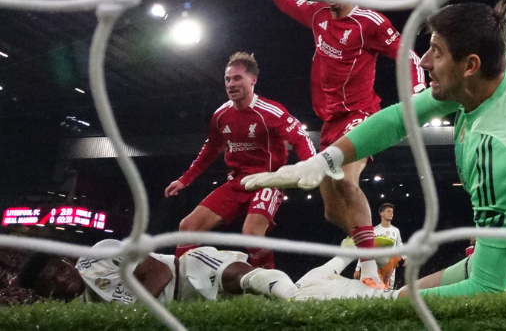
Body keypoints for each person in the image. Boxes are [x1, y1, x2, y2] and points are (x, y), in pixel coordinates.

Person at [243, 0, 506, 298]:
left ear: (470, 65)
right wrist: (324, 159)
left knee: (410, 298)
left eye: (435, 51)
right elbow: (398, 118)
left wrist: (390, 301)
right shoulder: (501, 66)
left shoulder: (497, 151)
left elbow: (486, 289)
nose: (423, 61)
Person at [244, 0, 426, 285]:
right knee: (330, 210)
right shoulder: (317, 14)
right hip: (329, 121)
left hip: (361, 114)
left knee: (345, 179)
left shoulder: (370, 22)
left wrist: (418, 93)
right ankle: (369, 245)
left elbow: (407, 55)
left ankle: (370, 270)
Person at [164, 52, 316, 270]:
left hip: (268, 181)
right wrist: (185, 179)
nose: (231, 84)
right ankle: (180, 287)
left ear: (253, 80)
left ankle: (267, 287)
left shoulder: (270, 111)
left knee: (251, 234)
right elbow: (211, 149)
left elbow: (300, 138)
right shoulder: (220, 115)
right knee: (188, 227)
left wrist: (311, 166)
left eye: (237, 78)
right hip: (237, 183)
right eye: (227, 79)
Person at [17, 239, 296, 303]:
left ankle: (297, 298)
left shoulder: (97, 256)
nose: (61, 281)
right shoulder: (73, 314)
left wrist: (135, 319)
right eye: (50, 283)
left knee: (242, 278)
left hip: (185, 273)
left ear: (67, 261)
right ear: (43, 293)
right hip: (178, 310)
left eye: (60, 271)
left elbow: (159, 272)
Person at [353, 202, 402, 288]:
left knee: (389, 289)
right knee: (375, 288)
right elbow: (365, 250)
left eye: (392, 211)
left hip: (389, 266)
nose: (391, 213)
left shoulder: (396, 231)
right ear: (381, 213)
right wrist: (358, 268)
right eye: (388, 211)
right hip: (376, 265)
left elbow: (399, 246)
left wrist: (405, 258)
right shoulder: (374, 231)